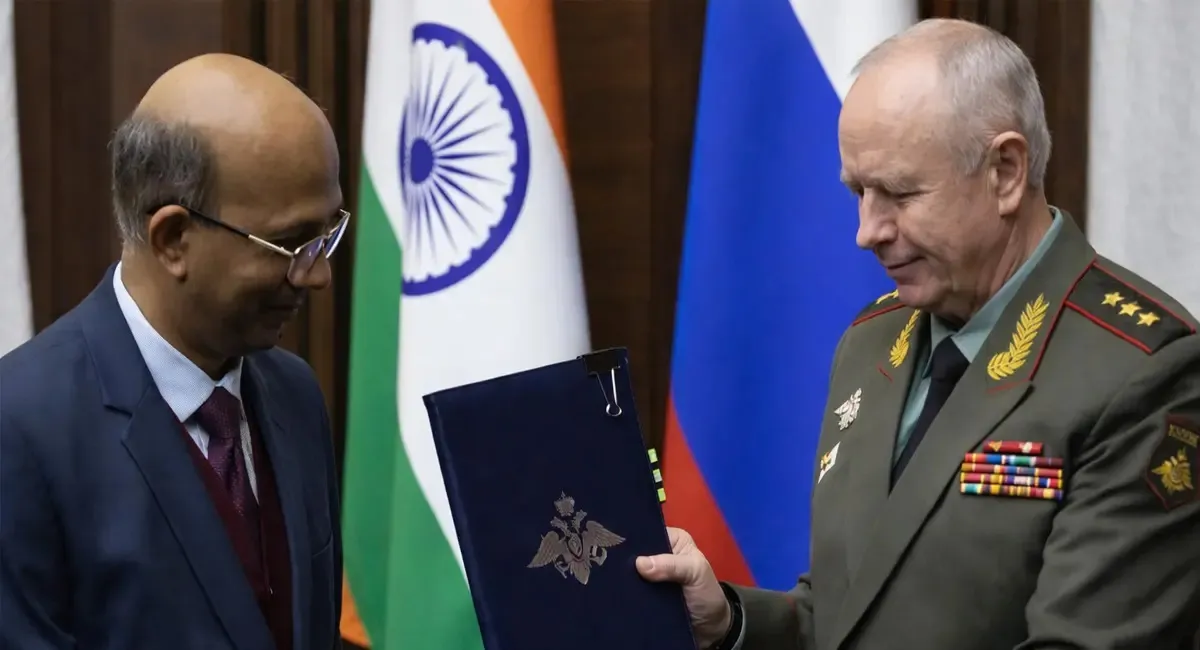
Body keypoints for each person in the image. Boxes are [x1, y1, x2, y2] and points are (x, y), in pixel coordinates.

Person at [637, 18, 1200, 650]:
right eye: (858, 192)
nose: (867, 231)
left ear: (1006, 172)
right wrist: (732, 622)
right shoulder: (873, 341)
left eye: (899, 194)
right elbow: (852, 616)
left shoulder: (1141, 373)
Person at [0, 53, 347, 649]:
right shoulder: (20, 431)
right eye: (290, 244)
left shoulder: (294, 394)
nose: (316, 276)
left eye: (326, 235)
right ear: (173, 239)